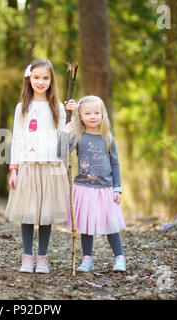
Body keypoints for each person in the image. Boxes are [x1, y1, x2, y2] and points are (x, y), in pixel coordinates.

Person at [5, 59, 71, 274]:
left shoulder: (57, 108)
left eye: (45, 78)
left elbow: (63, 139)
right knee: (28, 212)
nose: (41, 82)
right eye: (37, 78)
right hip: (27, 165)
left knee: (45, 213)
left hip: (50, 166)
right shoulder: (22, 107)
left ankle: (42, 257)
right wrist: (13, 169)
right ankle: (27, 256)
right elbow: (17, 138)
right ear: (29, 79)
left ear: (51, 80)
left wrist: (73, 120)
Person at [58, 95, 127, 272]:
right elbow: (60, 153)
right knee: (86, 226)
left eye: (96, 113)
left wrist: (117, 188)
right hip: (84, 188)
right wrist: (64, 134)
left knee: (111, 225)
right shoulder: (79, 136)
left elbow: (115, 164)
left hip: (105, 188)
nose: (92, 116)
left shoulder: (108, 138)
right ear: (80, 116)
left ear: (103, 115)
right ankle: (87, 259)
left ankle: (119, 258)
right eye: (87, 113)